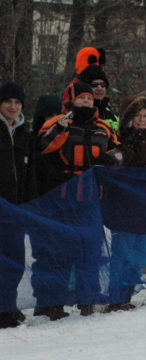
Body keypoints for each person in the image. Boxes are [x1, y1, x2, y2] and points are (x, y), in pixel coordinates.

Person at [36, 82, 120, 319]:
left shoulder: (104, 127)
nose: (86, 102)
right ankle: (55, 303)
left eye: (89, 98)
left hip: (91, 198)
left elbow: (120, 150)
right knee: (60, 252)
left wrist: (111, 159)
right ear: (71, 100)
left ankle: (88, 299)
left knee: (90, 251)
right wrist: (60, 130)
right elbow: (42, 146)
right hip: (62, 197)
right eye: (81, 98)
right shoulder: (58, 121)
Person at [103, 97, 146, 311]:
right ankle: (117, 298)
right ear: (129, 118)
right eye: (137, 115)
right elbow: (116, 167)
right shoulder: (119, 139)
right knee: (122, 254)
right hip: (123, 206)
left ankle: (127, 295)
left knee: (139, 255)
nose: (142, 120)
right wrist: (130, 147)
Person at [0, 82, 37, 328]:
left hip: (17, 210)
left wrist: (29, 206)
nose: (12, 107)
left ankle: (8, 306)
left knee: (14, 261)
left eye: (17, 102)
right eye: (7, 102)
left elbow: (31, 173)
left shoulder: (25, 134)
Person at [79, 64, 119, 130]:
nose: (100, 88)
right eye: (94, 85)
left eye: (103, 85)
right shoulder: (77, 112)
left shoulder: (110, 113)